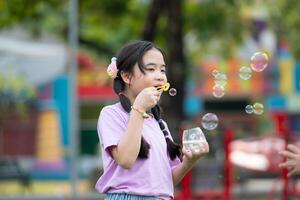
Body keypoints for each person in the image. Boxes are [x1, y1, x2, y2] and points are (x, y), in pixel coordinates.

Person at [96, 40, 209, 200]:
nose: (160, 77)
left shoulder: (159, 123)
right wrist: (139, 109)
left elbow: (165, 182)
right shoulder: (111, 114)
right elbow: (125, 160)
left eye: (162, 70)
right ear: (127, 76)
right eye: (151, 69)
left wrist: (189, 162)